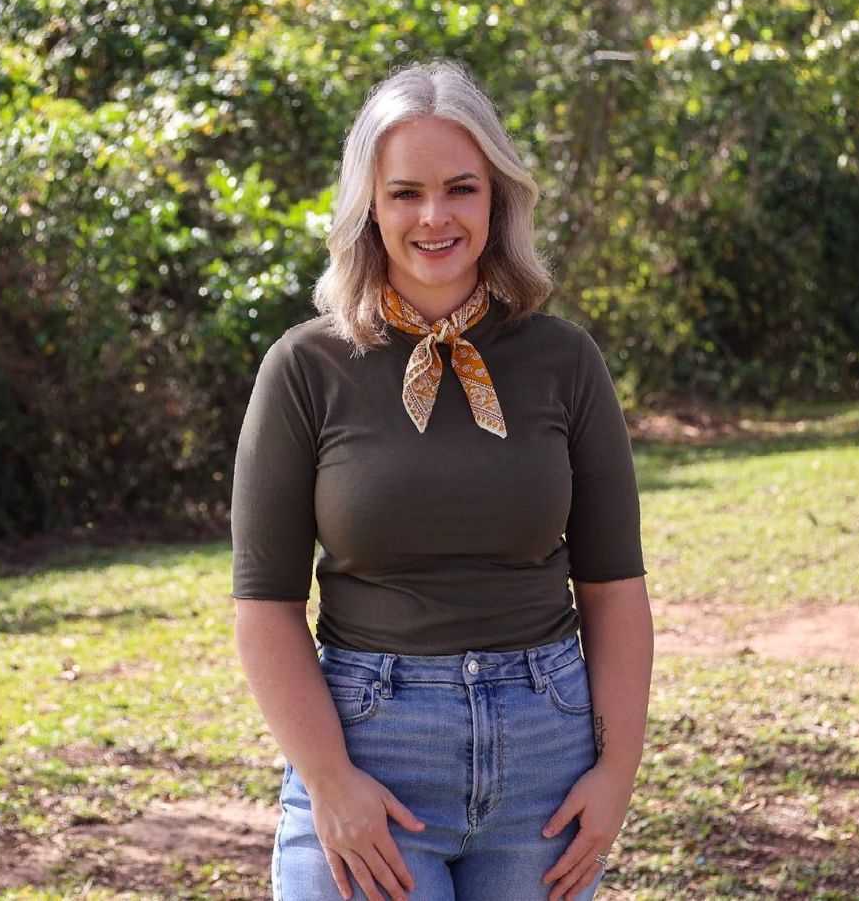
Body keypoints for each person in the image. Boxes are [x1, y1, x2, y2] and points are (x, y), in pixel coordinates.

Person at [231, 59, 654, 901]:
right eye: (404, 193)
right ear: (368, 206)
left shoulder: (564, 359)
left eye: (460, 188)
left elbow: (613, 588)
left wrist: (615, 774)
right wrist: (328, 782)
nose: (434, 216)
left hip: (545, 759)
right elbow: (265, 606)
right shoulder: (305, 366)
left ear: (497, 198)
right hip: (367, 749)